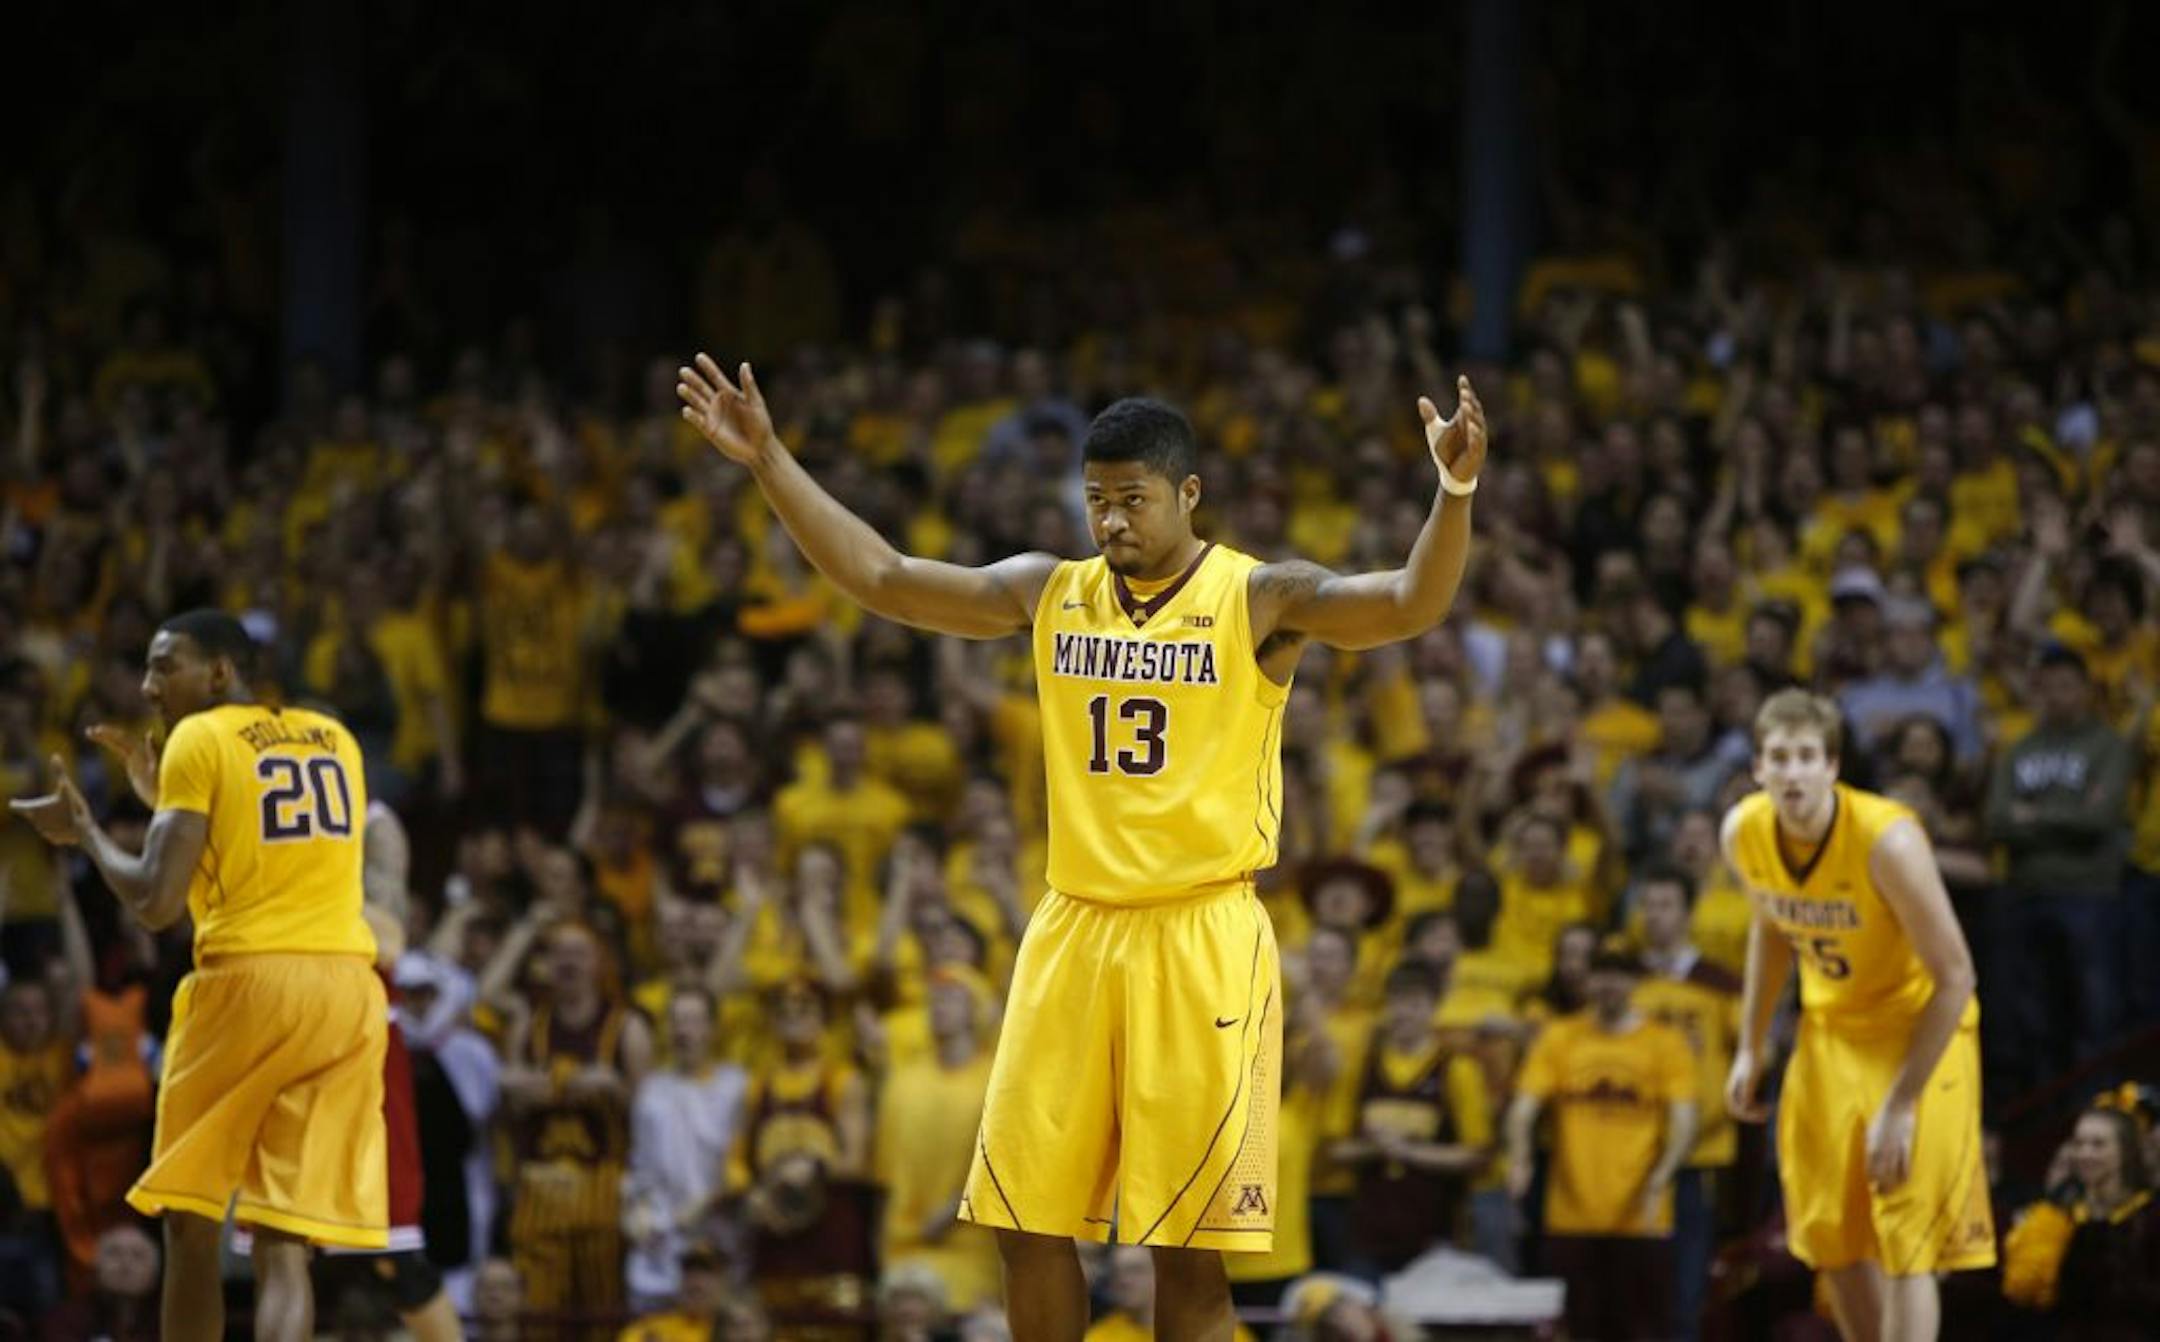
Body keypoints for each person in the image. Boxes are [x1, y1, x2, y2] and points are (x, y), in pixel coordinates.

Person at [677, 354, 1486, 1341]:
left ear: (1189, 494)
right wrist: (768, 461)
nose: (1110, 523)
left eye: (1132, 500)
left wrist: (1452, 490)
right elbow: (882, 577)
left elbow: (1409, 602)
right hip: (1072, 931)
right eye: (1096, 501)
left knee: (1184, 1254)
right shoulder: (1048, 591)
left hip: (1200, 935)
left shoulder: (1259, 597)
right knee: (1024, 1222)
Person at [10, 609, 390, 1342]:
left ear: (219, 672)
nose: (150, 686)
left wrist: (85, 832)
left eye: (165, 666)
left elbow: (154, 903)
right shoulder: (333, 735)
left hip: (248, 986)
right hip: (345, 992)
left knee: (189, 1221)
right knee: (284, 1248)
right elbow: (266, 840)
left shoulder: (199, 737)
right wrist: (167, 804)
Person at [1723, 689, 1994, 1341]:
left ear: (1832, 765)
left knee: (1908, 1240)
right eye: (1778, 758)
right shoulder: (1744, 831)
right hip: (1831, 1035)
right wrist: (1750, 1045)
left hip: (1919, 1030)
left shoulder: (1887, 841)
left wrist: (1901, 1104)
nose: (1792, 772)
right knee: (1830, 1237)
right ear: (1758, 769)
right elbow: (1769, 926)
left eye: (1806, 756)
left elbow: (1956, 974)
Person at [1505, 939, 1696, 1342]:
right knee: (1576, 1329)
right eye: (1601, 974)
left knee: (1642, 1330)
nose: (1610, 984)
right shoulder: (1560, 1037)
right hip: (1571, 1215)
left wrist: (1662, 1175)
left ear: (1634, 982)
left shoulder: (1664, 1043)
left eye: (1620, 974)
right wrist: (1519, 1156)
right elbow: (1523, 1108)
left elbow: (1684, 1120)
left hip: (1642, 1217)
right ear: (1588, 980)